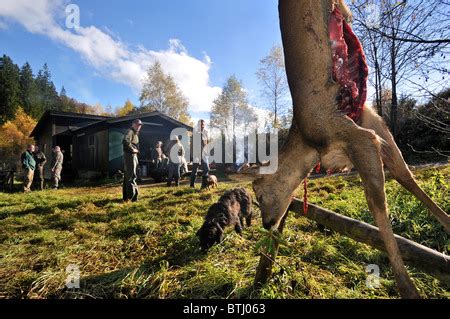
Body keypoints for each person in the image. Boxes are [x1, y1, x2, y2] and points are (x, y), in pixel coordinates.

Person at [122, 119, 142, 202]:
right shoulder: (130, 131)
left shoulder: (135, 134)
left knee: (127, 176)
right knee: (132, 176)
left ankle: (126, 197)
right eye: (137, 124)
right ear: (133, 124)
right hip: (130, 155)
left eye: (140, 125)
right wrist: (133, 149)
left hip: (132, 155)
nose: (139, 126)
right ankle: (133, 198)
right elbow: (125, 140)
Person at [190, 119, 210, 189]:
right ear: (198, 125)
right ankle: (192, 185)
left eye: (203, 124)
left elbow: (207, 143)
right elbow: (192, 145)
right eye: (201, 124)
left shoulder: (206, 132)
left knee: (206, 169)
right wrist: (192, 155)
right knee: (195, 169)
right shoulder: (195, 133)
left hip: (204, 154)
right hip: (196, 154)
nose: (202, 126)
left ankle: (204, 185)